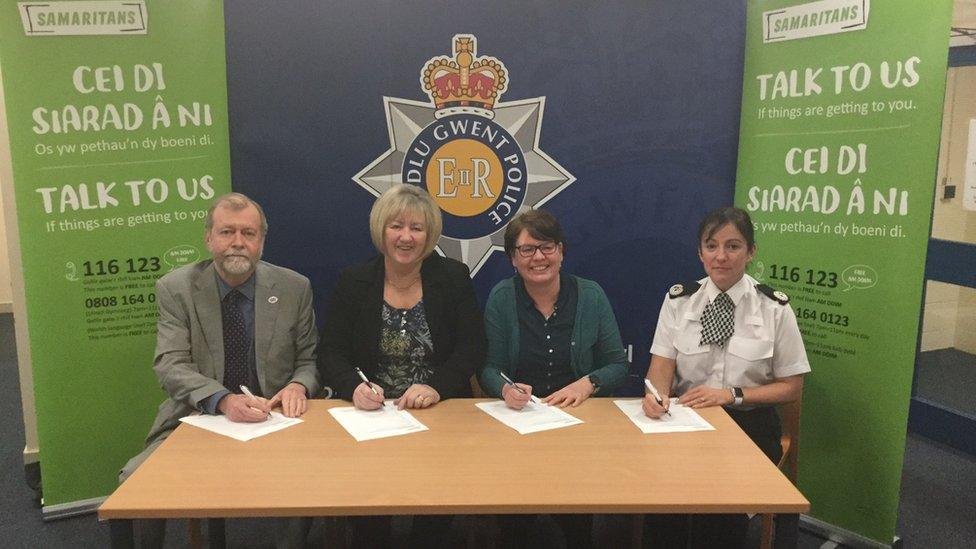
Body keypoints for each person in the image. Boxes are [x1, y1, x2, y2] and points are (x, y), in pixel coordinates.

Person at [120, 193, 320, 548]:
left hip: (273, 420)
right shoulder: (176, 288)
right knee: (135, 482)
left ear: (262, 241)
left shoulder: (294, 288)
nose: (238, 243)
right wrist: (224, 400)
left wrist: (298, 386)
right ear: (208, 238)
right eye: (227, 232)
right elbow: (170, 364)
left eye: (249, 233)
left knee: (303, 483)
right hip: (199, 416)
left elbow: (308, 360)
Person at [317, 184, 485, 547]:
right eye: (397, 226)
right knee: (369, 518)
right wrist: (354, 387)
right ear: (381, 229)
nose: (406, 237)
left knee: (434, 517)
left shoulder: (453, 276)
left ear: (430, 235)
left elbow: (472, 347)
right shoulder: (354, 281)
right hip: (371, 415)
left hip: (438, 413)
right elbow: (331, 351)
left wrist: (436, 386)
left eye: (416, 228)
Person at [642, 206, 810, 548]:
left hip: (748, 423)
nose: (721, 256)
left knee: (717, 512)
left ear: (751, 252)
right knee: (660, 501)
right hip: (686, 419)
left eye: (733, 246)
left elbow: (792, 387)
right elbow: (662, 365)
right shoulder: (679, 301)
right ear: (700, 253)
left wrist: (731, 394)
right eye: (712, 246)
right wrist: (655, 395)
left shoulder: (774, 308)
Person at [479, 209, 628, 549]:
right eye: (526, 250)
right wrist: (505, 388)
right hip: (519, 424)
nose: (539, 257)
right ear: (513, 259)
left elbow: (618, 365)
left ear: (561, 251)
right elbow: (489, 368)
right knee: (513, 524)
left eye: (546, 247)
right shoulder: (503, 298)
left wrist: (587, 383)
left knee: (577, 523)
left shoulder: (590, 295)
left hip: (578, 427)